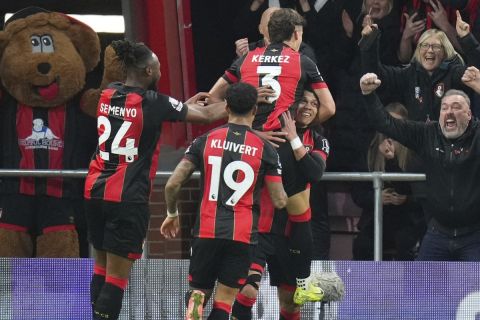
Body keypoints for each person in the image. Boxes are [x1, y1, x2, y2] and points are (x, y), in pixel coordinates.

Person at [83, 40, 229, 320]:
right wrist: (246, 99)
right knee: (116, 279)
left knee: (101, 269)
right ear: (149, 71)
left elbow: (141, 117)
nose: (161, 71)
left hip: (95, 191)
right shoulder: (153, 103)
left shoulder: (108, 94)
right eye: (159, 67)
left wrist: (178, 106)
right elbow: (210, 114)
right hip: (126, 198)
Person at [209, 8, 335, 304]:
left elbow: (214, 97)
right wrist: (301, 126)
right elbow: (328, 107)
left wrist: (249, 119)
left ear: (266, 33)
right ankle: (302, 282)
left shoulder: (246, 59)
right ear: (296, 34)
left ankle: (243, 276)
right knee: (298, 209)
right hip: (281, 145)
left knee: (251, 212)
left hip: (248, 147)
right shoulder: (303, 61)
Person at [160, 82, 288, 320]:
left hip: (206, 231)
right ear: (254, 111)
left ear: (226, 107)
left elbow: (172, 183)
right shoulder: (266, 150)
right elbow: (280, 200)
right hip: (241, 235)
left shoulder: (204, 141)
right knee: (224, 303)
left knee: (198, 295)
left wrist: (171, 213)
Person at [359, 70, 480, 261]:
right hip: (437, 233)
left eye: (456, 107)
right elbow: (385, 123)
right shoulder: (427, 134)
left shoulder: (477, 135)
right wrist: (368, 95)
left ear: (469, 114)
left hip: (474, 235)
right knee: (421, 287)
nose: (448, 112)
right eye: (444, 107)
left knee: (476, 289)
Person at [231, 88, 330, 319]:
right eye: (303, 101)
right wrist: (256, 134)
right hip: (260, 227)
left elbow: (314, 173)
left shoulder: (319, 141)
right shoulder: (269, 134)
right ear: (291, 106)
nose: (308, 107)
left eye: (314, 104)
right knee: (246, 291)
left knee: (291, 304)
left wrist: (294, 137)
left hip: (292, 233)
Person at [361, 10, 480, 123]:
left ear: (445, 53)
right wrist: (369, 42)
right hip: (418, 140)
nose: (430, 50)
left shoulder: (454, 74)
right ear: (418, 51)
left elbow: (475, 72)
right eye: (425, 45)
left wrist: (467, 38)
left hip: (450, 141)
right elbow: (375, 74)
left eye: (436, 47)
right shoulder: (408, 75)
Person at [351, 102, 426, 260]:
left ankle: (406, 284)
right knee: (362, 245)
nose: (392, 129)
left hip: (407, 219)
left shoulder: (415, 152)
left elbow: (422, 194)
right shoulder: (370, 150)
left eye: (397, 124)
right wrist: (377, 198)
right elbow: (357, 193)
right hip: (377, 217)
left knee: (407, 244)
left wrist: (406, 199)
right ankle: (366, 284)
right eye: (388, 122)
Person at [234, 7, 317, 63]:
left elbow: (311, 85)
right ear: (260, 29)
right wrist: (243, 60)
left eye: (279, 25)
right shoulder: (250, 49)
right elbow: (233, 85)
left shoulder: (303, 50)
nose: (274, 29)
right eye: (270, 25)